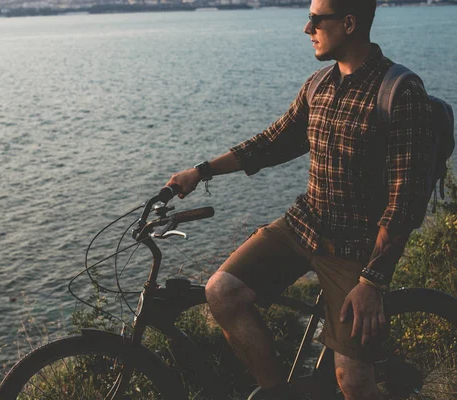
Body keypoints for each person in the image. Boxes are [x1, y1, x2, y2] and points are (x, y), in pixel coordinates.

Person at [165, 0, 433, 399]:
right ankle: (280, 393)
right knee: (221, 291)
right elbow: (271, 143)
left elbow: (405, 200)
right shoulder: (318, 85)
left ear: (348, 23)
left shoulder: (399, 92)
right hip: (305, 223)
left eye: (315, 19)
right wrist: (201, 171)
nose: (307, 29)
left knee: (354, 382)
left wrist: (372, 281)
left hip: (355, 246)